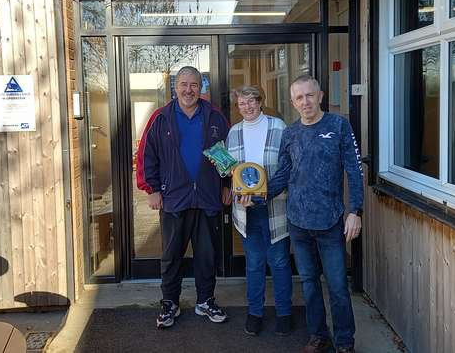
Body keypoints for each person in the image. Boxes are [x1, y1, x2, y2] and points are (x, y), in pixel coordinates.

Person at [240, 75, 364, 353]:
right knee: (309, 284)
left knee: (337, 288)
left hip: (331, 221)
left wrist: (355, 210)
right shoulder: (291, 133)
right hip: (297, 222)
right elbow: (283, 175)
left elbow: (354, 170)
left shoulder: (338, 125)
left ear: (320, 96)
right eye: (299, 97)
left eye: (310, 95)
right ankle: (318, 336)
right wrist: (257, 197)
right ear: (293, 102)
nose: (305, 101)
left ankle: (345, 342)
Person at [143, 66, 232, 329]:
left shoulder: (215, 117)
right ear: (175, 87)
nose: (188, 90)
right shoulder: (161, 118)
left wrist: (226, 184)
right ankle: (170, 302)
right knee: (171, 256)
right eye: (183, 84)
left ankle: (205, 300)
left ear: (201, 87)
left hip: (207, 197)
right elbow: (149, 156)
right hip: (174, 198)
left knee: (207, 255)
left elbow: (228, 154)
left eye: (194, 84)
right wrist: (153, 189)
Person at [226, 86, 293, 337]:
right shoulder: (234, 132)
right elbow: (233, 171)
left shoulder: (279, 127)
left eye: (251, 101)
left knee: (279, 261)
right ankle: (255, 313)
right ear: (238, 107)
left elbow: (287, 168)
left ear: (260, 101)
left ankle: (284, 313)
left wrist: (265, 195)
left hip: (275, 206)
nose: (247, 107)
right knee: (254, 264)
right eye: (242, 104)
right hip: (246, 209)